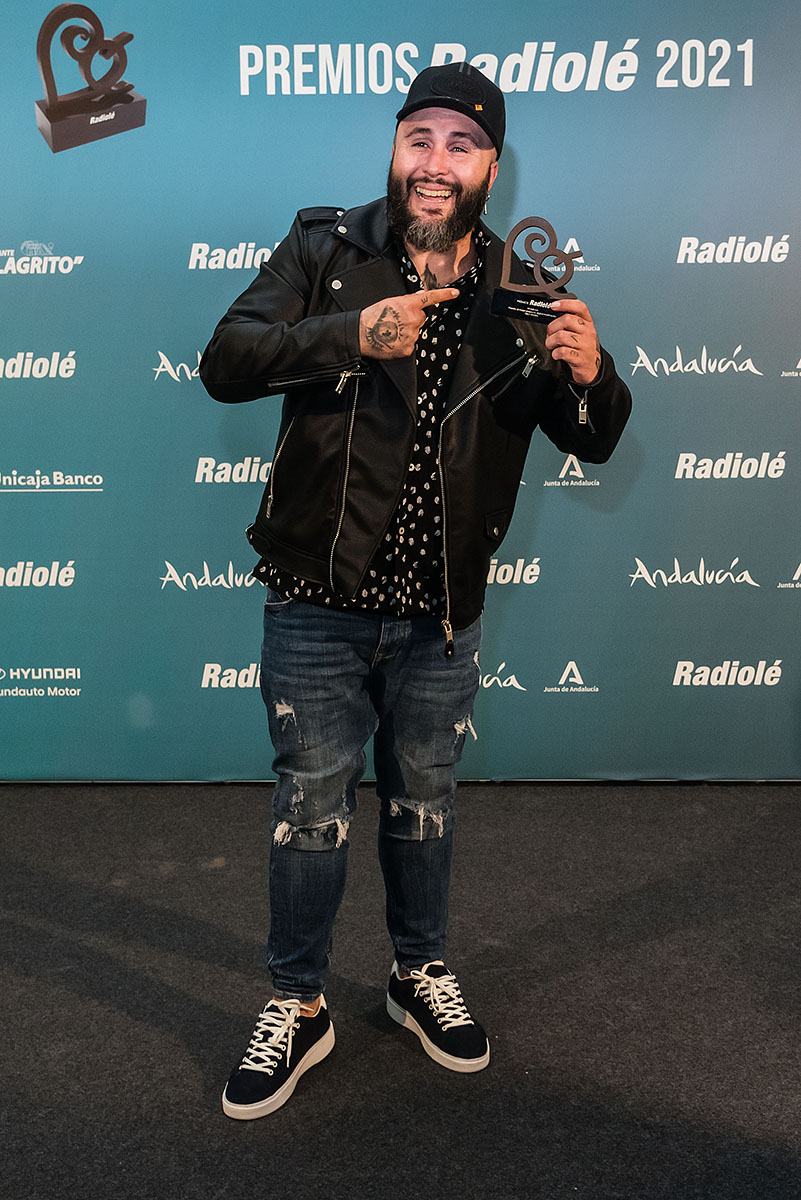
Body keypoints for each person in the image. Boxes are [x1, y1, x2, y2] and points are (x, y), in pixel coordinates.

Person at [200, 60, 631, 1120]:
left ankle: (416, 972)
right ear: (396, 149)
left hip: (441, 613)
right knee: (310, 811)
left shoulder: (522, 286)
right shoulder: (324, 248)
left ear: (491, 166)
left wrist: (591, 375)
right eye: (420, 139)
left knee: (425, 803)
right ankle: (298, 1001)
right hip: (317, 597)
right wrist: (352, 334)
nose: (436, 162)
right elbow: (226, 361)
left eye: (461, 145)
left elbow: (590, 438)